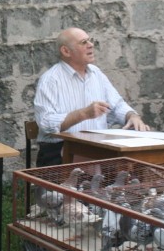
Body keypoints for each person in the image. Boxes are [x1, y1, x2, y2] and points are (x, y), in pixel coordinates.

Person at [33, 27, 151, 167]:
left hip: (97, 149)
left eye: (90, 40)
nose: (91, 45)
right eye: (83, 42)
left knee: (135, 166)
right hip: (61, 152)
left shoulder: (96, 73)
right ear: (66, 51)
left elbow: (117, 104)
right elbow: (46, 123)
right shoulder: (51, 80)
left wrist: (132, 116)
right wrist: (83, 114)